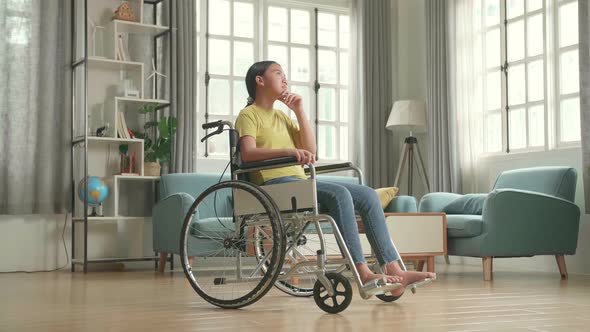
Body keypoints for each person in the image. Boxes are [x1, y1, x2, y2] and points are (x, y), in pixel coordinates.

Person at [235, 61, 435, 296]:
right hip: (273, 186)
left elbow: (310, 151)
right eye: (278, 73)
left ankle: (394, 269)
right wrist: (288, 152)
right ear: (260, 81)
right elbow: (247, 154)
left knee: (368, 195)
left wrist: (299, 110)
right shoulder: (248, 115)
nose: (285, 79)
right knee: (340, 194)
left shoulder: (281, 116)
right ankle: (362, 272)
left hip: (299, 183)